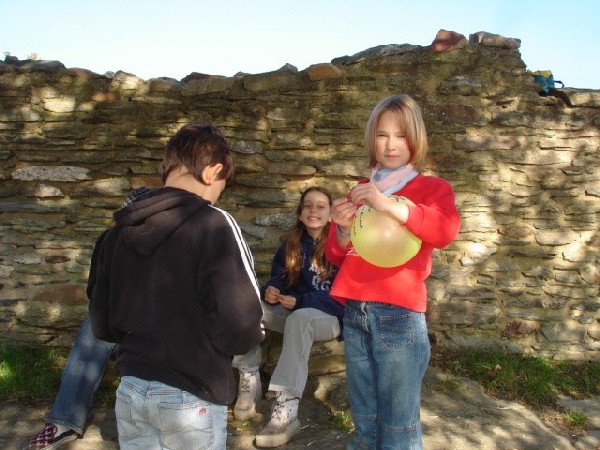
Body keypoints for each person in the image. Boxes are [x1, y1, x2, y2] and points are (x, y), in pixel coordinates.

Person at [89, 123, 264, 450]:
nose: (219, 194)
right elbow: (242, 324)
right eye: (223, 184)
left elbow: (100, 321)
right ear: (213, 172)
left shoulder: (117, 232)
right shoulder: (215, 224)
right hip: (192, 393)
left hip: (131, 392)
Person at [325, 94, 461, 450]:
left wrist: (387, 205)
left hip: (399, 314)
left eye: (401, 135)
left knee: (399, 425)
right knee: (365, 419)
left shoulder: (432, 189)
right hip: (355, 310)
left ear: (416, 139)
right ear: (372, 138)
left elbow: (445, 230)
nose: (390, 145)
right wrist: (342, 229)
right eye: (382, 135)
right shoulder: (360, 189)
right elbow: (338, 255)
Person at [23, 189, 150, 450]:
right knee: (94, 328)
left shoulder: (169, 245)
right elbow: (96, 291)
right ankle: (64, 422)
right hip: (118, 323)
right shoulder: (109, 240)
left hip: (158, 327)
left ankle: (150, 426)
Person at [232, 186, 343, 448]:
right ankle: (249, 378)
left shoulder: (341, 246)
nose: (313, 210)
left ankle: (286, 410)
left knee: (301, 318)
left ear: (331, 215)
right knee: (247, 306)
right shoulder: (291, 244)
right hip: (294, 312)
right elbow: (279, 279)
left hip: (329, 318)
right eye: (308, 205)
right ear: (300, 213)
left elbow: (342, 299)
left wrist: (302, 301)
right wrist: (271, 291)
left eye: (320, 206)